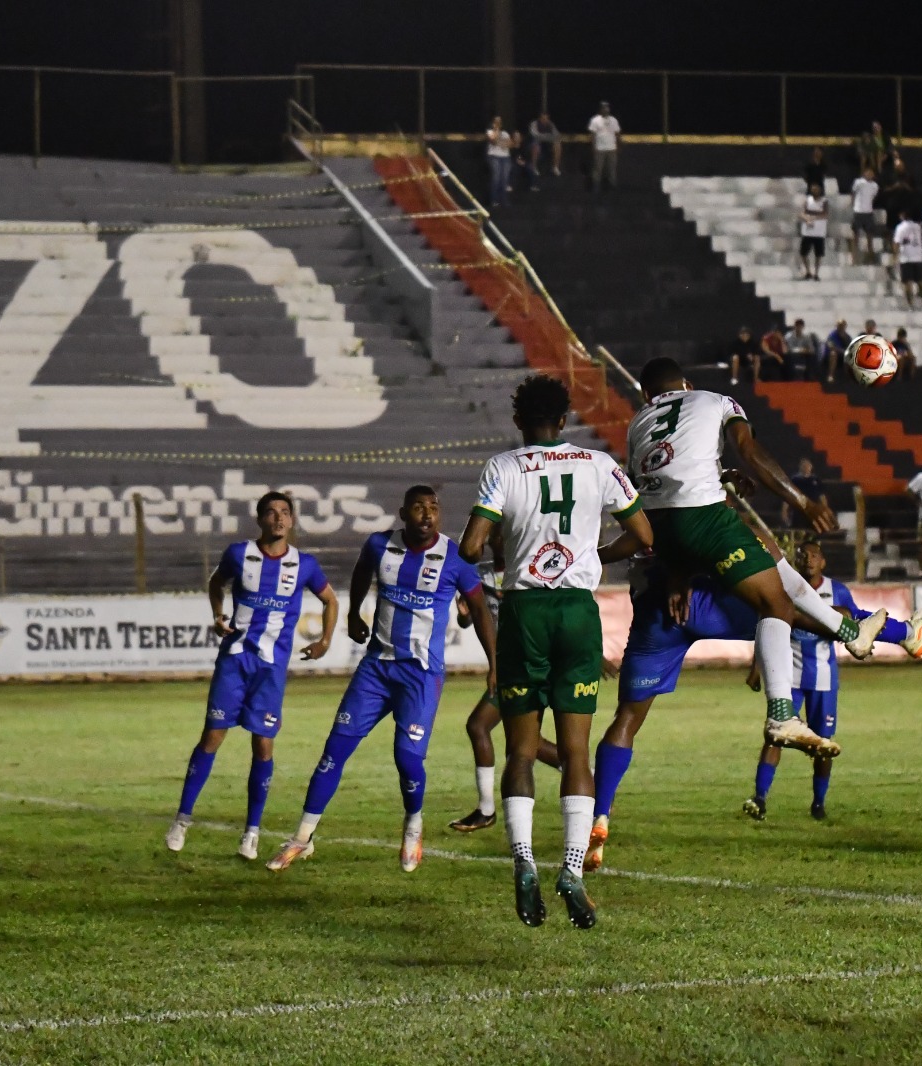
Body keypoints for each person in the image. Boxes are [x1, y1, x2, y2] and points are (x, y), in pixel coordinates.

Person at [592, 540, 922, 868]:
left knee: (626, 719)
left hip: (653, 610)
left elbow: (638, 534)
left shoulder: (637, 491)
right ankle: (900, 633)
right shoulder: (693, 488)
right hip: (696, 596)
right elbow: (696, 530)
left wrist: (595, 552)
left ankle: (599, 815)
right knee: (786, 605)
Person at [458, 374, 652, 929]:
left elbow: (472, 546)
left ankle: (523, 864)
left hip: (525, 613)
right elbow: (644, 535)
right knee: (575, 753)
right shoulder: (597, 463)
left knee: (520, 751)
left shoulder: (503, 468)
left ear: (520, 421)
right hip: (576, 610)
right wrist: (594, 553)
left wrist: (500, 542)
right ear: (565, 420)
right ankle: (572, 870)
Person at [625, 357, 887, 758]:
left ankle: (853, 635)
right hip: (704, 517)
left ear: (646, 394)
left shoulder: (637, 423)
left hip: (659, 534)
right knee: (775, 601)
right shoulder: (716, 401)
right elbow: (748, 448)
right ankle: (783, 712)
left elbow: (654, 489)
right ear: (687, 384)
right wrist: (801, 502)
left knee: (772, 567)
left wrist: (675, 565)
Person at [268, 486, 496, 874]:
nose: (428, 514)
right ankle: (303, 838)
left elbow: (480, 609)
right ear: (403, 512)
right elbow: (361, 573)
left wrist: (495, 665)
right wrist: (355, 613)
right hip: (375, 669)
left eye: (434, 508)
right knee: (332, 754)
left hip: (420, 675)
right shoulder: (379, 545)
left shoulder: (453, 557)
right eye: (419, 508)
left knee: (407, 759)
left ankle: (413, 826)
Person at [167, 492, 337, 860]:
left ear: (292, 521)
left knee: (263, 744)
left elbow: (330, 599)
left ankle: (252, 832)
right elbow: (217, 583)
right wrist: (217, 614)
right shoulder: (238, 554)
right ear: (260, 519)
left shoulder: (304, 565)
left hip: (271, 669)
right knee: (213, 735)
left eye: (285, 513)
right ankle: (182, 819)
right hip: (234, 659)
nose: (278, 519)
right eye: (271, 512)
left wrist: (325, 640)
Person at [449, 531, 560, 833]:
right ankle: (586, 776)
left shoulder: (531, 570)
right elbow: (468, 617)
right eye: (495, 536)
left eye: (504, 534)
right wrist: (463, 615)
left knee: (480, 726)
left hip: (527, 667)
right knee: (526, 743)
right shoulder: (479, 574)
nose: (500, 540)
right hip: (508, 667)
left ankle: (486, 810)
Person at [742, 542, 859, 822]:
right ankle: (760, 798)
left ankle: (818, 803)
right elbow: (767, 623)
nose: (808, 560)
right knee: (775, 736)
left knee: (823, 743)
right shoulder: (781, 584)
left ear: (823, 562)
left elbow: (850, 621)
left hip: (823, 679)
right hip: (788, 677)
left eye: (814, 555)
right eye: (803, 555)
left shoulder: (837, 590)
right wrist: (757, 666)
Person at [893, 209, 922, 310]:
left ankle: (910, 304)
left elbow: (897, 242)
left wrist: (895, 256)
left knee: (908, 282)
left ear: (903, 215)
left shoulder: (901, 227)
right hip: (918, 256)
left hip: (906, 257)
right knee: (921, 281)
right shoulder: (917, 226)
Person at [780, 457, 825, 527]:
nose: (806, 468)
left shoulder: (816, 479)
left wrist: (824, 509)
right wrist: (784, 510)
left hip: (813, 510)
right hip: (799, 510)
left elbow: (822, 496)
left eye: (808, 465)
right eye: (804, 466)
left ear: (811, 467)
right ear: (800, 467)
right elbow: (788, 495)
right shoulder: (795, 480)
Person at [798, 184, 828, 280]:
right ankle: (808, 271)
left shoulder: (824, 201)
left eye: (816, 189)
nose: (815, 191)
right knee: (803, 253)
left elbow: (825, 214)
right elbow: (802, 213)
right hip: (807, 232)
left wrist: (813, 218)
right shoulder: (808, 200)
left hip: (819, 232)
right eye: (813, 189)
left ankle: (816, 273)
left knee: (818, 254)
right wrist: (807, 219)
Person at [850, 168, 881, 263]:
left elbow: (873, 197)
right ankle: (854, 258)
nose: (869, 174)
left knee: (870, 236)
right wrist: (853, 204)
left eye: (871, 173)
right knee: (855, 236)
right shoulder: (858, 182)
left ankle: (870, 258)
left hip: (868, 212)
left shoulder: (875, 186)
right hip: (858, 211)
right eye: (868, 172)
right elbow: (853, 193)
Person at [588, 102, 620, 191]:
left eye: (607, 108)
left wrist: (618, 145)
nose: (605, 109)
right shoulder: (595, 120)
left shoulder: (614, 120)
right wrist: (593, 147)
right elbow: (593, 135)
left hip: (612, 148)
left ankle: (613, 186)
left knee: (612, 169)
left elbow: (617, 133)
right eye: (603, 108)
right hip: (599, 149)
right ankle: (596, 186)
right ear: (600, 109)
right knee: (598, 168)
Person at [485, 116, 513, 208]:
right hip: (494, 157)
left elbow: (510, 144)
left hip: (505, 157)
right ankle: (494, 200)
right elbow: (494, 141)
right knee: (496, 178)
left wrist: (502, 143)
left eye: (499, 122)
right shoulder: (490, 132)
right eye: (496, 122)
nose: (498, 123)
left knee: (504, 179)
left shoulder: (505, 133)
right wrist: (500, 140)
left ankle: (504, 200)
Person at [527, 112, 562, 179]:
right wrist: (548, 136)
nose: (544, 120)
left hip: (547, 144)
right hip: (534, 142)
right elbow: (535, 135)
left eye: (546, 118)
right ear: (539, 118)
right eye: (543, 118)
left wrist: (547, 137)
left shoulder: (550, 124)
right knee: (535, 147)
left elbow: (557, 135)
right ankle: (534, 167)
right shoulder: (534, 124)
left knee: (558, 145)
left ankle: (555, 167)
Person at [823, 319, 852, 384]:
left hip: (842, 356)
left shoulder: (847, 337)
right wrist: (842, 351)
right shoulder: (832, 335)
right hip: (830, 356)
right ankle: (830, 375)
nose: (841, 327)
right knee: (833, 354)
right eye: (840, 326)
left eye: (843, 326)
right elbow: (831, 346)